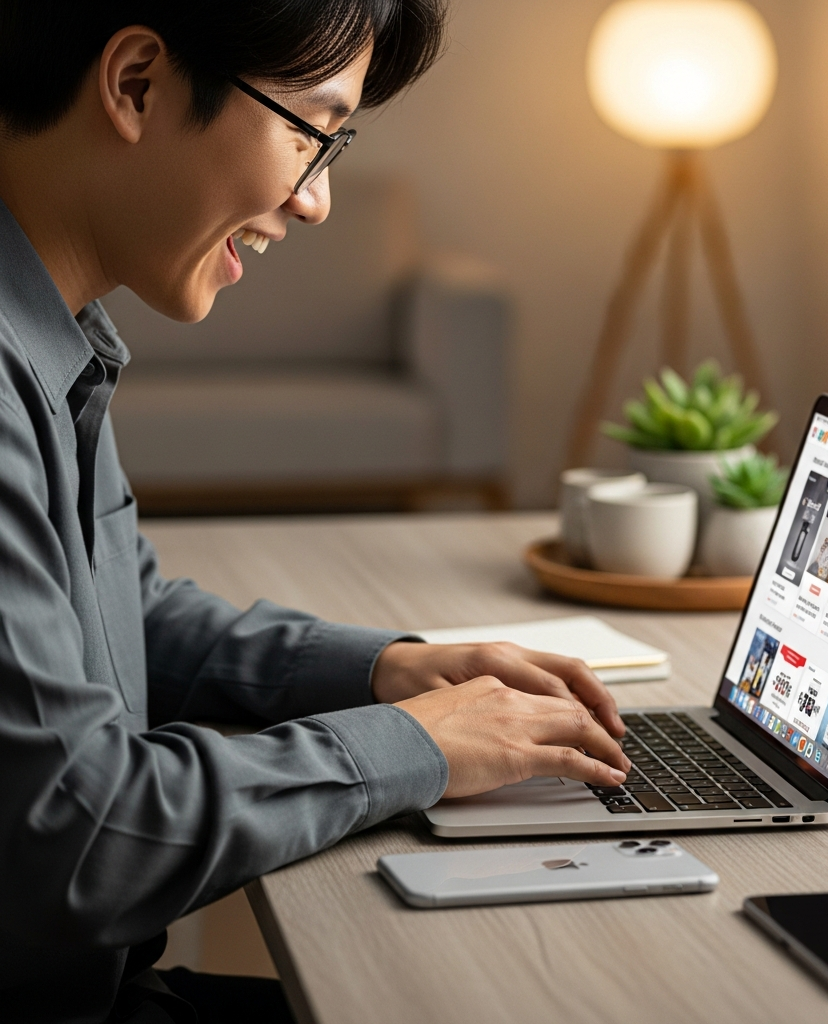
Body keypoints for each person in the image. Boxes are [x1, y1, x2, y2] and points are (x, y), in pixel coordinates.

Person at [0, 3, 631, 1021]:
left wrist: (389, 668)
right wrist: (413, 743)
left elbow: (120, 616)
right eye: (308, 132)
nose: (317, 201)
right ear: (135, 86)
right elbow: (82, 837)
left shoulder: (52, 329)